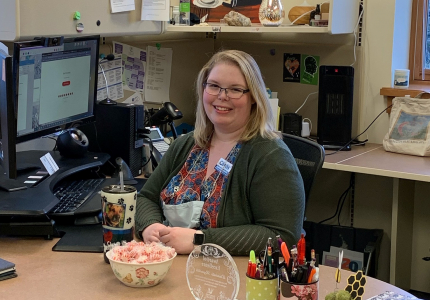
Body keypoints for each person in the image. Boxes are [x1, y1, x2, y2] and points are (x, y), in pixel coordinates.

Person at [135, 49, 305, 255]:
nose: (222, 97)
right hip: (171, 268)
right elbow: (146, 197)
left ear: (253, 97)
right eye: (214, 86)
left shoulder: (271, 156)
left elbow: (281, 235)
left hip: (232, 278)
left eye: (235, 89)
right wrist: (150, 226)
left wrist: (201, 241)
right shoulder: (186, 145)